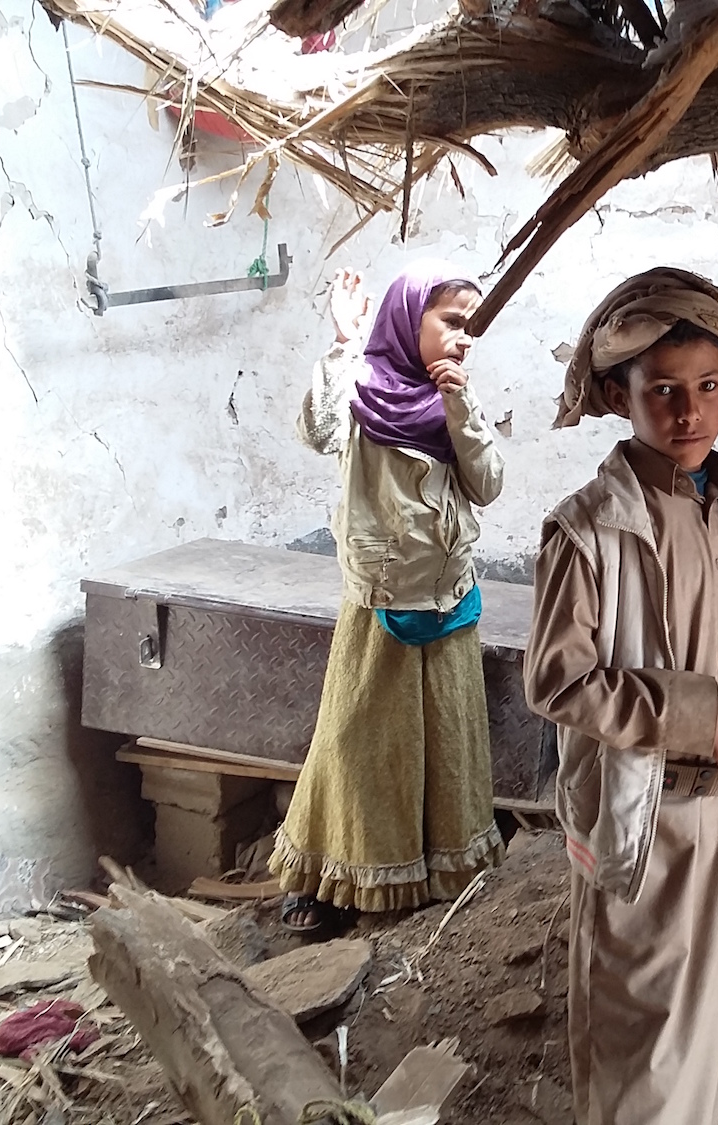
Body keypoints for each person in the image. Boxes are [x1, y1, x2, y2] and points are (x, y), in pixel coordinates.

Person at [524, 267, 718, 1125]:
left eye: (708, 388)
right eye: (663, 391)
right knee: (650, 1058)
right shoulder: (589, 529)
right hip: (648, 826)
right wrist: (698, 713)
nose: (689, 412)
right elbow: (558, 677)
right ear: (619, 394)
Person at [269, 262, 506, 931]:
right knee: (353, 741)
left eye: (471, 328)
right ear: (407, 320)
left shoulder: (456, 403)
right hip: (380, 604)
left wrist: (462, 407)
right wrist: (344, 343)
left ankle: (436, 875)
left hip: (449, 602)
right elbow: (316, 430)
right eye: (452, 323)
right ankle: (322, 874)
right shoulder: (362, 394)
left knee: (445, 746)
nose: (463, 339)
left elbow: (487, 484)